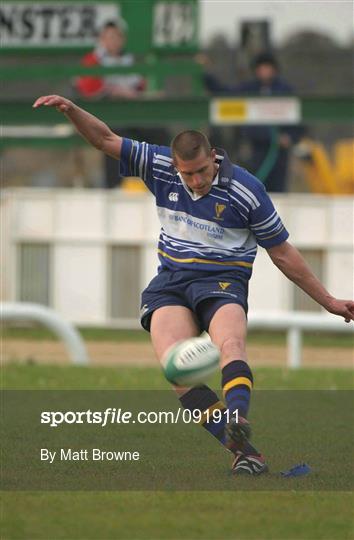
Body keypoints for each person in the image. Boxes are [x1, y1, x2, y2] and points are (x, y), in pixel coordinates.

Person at [33, 95, 354, 476]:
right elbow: (104, 139)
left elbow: (284, 254)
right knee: (176, 372)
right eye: (188, 174)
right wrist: (71, 110)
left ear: (213, 157)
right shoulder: (161, 167)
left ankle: (237, 415)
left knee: (230, 344)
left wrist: (330, 300)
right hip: (171, 283)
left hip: (222, 283)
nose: (197, 180)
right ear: (177, 167)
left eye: (202, 171)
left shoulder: (245, 190)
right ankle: (245, 452)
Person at [203, 52, 303, 192]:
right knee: (256, 184)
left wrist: (290, 137)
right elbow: (225, 94)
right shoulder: (249, 89)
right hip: (256, 146)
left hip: (279, 150)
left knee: (279, 188)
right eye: (261, 68)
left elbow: (299, 120)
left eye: (267, 68)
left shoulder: (285, 90)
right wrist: (206, 74)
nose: (264, 72)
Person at [75, 20, 146, 188]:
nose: (113, 41)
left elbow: (141, 85)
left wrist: (130, 93)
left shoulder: (129, 60)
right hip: (103, 114)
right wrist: (112, 91)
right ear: (102, 39)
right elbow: (87, 89)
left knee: (156, 129)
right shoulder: (93, 60)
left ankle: (153, 181)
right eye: (109, 37)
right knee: (114, 136)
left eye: (117, 37)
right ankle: (115, 186)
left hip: (131, 111)